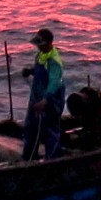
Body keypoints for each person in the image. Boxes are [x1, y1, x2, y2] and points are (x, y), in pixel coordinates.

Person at [19, 27, 68, 160]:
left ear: (49, 43)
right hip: (37, 97)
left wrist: (45, 100)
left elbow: (54, 82)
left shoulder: (54, 61)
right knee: (31, 127)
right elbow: (39, 70)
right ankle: (29, 157)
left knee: (49, 129)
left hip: (51, 99)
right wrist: (30, 71)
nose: (39, 48)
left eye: (41, 45)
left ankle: (52, 158)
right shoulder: (41, 55)